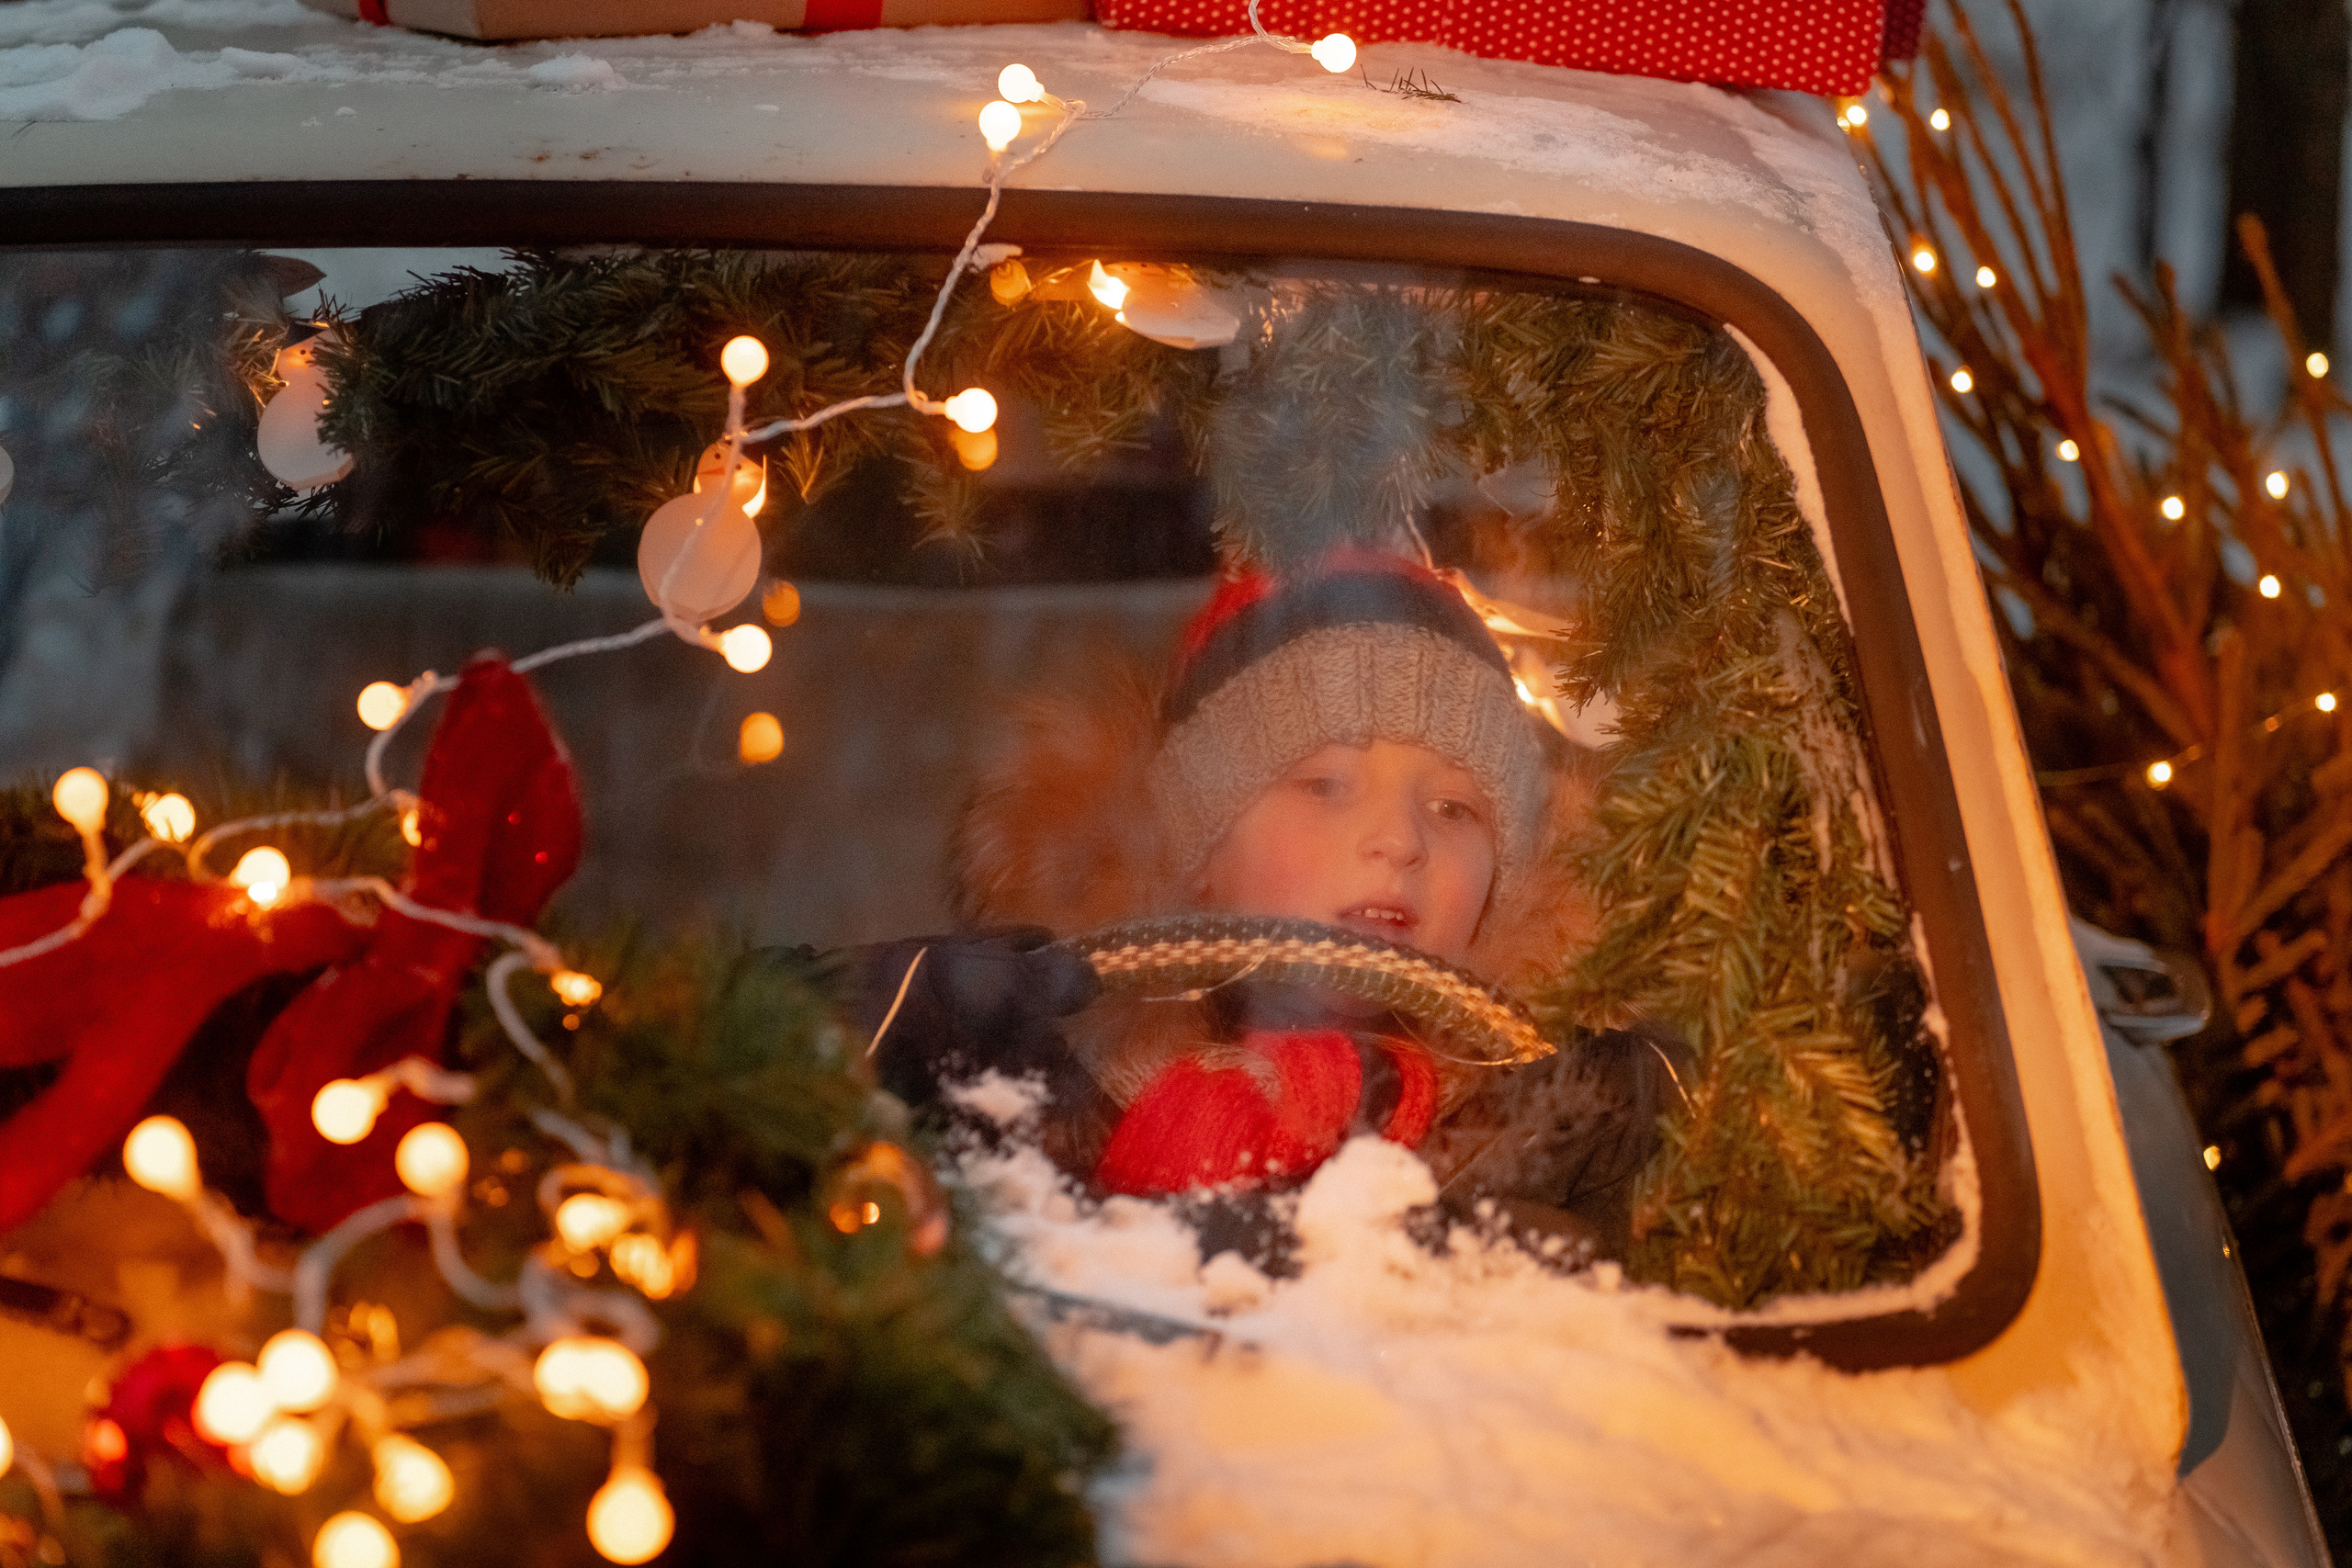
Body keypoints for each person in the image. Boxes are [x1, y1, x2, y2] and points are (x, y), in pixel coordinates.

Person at [853, 551, 1674, 1261]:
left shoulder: (1578, 1110)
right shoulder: (1028, 1075)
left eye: (1456, 809)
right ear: (1199, 852)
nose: (1398, 838)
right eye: (1325, 786)